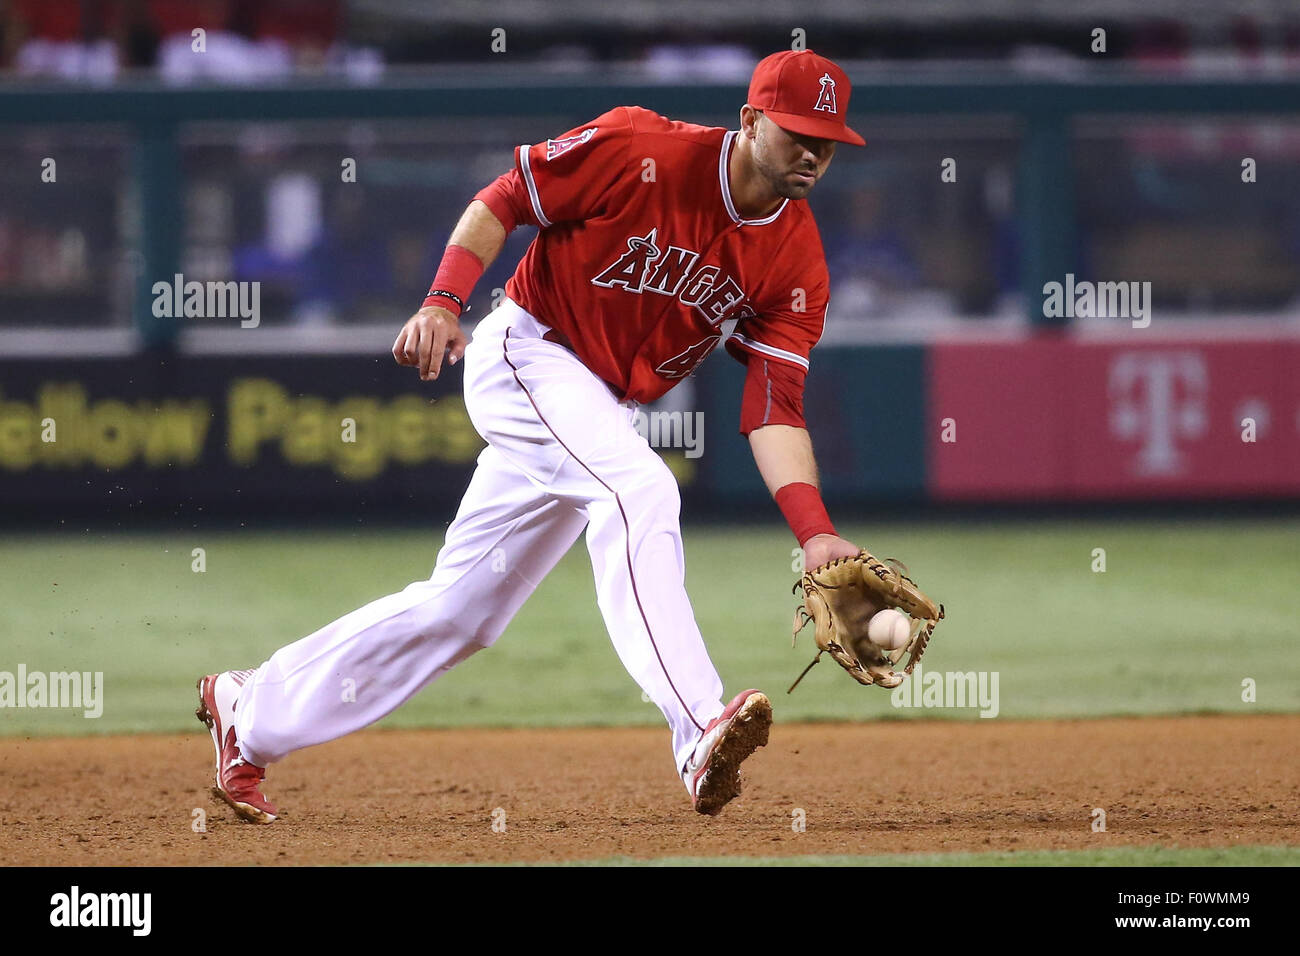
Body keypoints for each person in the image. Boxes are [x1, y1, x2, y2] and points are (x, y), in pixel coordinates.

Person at [197, 49, 867, 822]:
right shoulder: (644, 148)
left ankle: (249, 714)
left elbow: (774, 408)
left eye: (828, 140)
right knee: (638, 487)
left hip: (601, 407)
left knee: (461, 612)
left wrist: (815, 535)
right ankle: (697, 730)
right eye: (797, 132)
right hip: (528, 354)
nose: (813, 152)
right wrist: (444, 299)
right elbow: (507, 196)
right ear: (751, 121)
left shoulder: (797, 257)